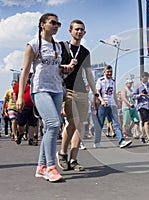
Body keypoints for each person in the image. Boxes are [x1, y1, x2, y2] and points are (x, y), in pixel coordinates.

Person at [16, 13, 73, 182]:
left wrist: (67, 68)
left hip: (56, 89)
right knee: (54, 124)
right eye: (53, 22)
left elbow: (56, 67)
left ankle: (41, 166)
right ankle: (50, 167)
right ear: (42, 24)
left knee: (50, 129)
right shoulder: (33, 44)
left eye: (58, 23)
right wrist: (20, 96)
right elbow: (25, 71)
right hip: (40, 89)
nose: (56, 26)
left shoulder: (57, 46)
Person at [56, 19, 97, 172]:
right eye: (76, 29)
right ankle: (62, 153)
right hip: (67, 90)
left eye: (82, 30)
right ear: (70, 31)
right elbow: (53, 66)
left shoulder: (85, 52)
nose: (79, 32)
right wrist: (65, 67)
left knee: (81, 126)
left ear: (84, 33)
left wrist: (96, 93)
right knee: (73, 122)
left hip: (82, 92)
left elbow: (89, 74)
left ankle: (73, 159)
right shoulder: (61, 47)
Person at [94, 65, 132, 148]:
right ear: (104, 72)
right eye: (107, 72)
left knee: (116, 123)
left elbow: (114, 93)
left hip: (112, 105)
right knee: (100, 124)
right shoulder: (100, 80)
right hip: (103, 105)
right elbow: (98, 93)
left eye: (110, 72)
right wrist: (102, 101)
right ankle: (97, 141)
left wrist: (117, 102)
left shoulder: (113, 81)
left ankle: (121, 141)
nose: (109, 73)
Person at [14, 73, 38, 146]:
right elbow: (15, 94)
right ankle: (21, 134)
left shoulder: (35, 85)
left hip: (33, 107)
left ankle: (31, 139)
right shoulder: (21, 84)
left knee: (32, 123)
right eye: (28, 76)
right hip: (23, 106)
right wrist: (16, 102)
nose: (29, 78)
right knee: (21, 123)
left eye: (30, 76)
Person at [133, 72, 149, 145]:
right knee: (146, 122)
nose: (146, 79)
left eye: (147, 78)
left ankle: (142, 135)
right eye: (144, 78)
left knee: (148, 121)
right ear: (141, 78)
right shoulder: (137, 85)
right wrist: (140, 95)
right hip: (142, 105)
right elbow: (133, 96)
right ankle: (148, 138)